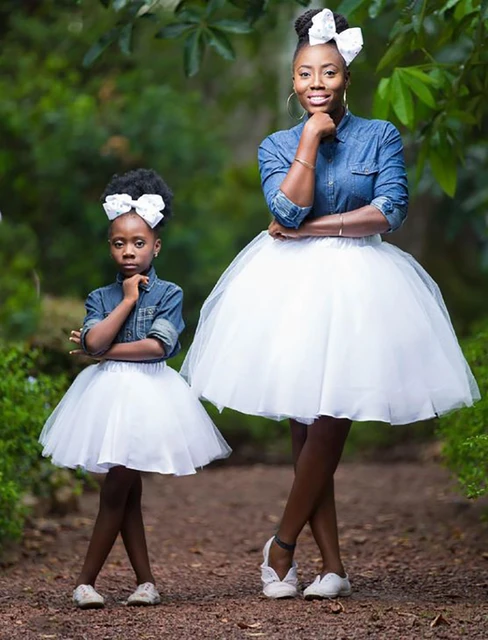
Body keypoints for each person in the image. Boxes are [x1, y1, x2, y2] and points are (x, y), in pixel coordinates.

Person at [181, 8, 480, 601]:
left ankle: (283, 543)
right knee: (303, 423)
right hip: (287, 287)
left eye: (328, 72)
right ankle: (334, 566)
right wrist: (311, 140)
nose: (316, 83)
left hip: (362, 287)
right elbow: (285, 211)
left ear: (346, 77)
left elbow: (389, 210)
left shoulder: (380, 136)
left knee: (332, 419)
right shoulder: (276, 144)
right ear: (293, 81)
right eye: (305, 74)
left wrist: (317, 229)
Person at [39, 168, 231, 609]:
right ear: (110, 246)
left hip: (150, 395)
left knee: (117, 488)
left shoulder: (170, 293)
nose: (129, 251)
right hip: (107, 398)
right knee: (127, 492)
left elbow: (156, 348)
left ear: (156, 245)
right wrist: (125, 302)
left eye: (139, 243)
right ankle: (145, 581)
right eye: (119, 243)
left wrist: (102, 351)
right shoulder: (101, 297)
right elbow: (92, 338)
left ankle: (85, 580)